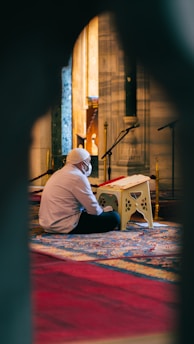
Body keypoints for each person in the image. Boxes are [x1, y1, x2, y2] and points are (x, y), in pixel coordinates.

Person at [39, 147, 121, 234]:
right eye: (88, 162)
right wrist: (105, 211)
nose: (89, 165)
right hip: (65, 224)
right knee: (114, 217)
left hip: (47, 223)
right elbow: (94, 210)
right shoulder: (78, 176)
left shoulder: (58, 173)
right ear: (82, 164)